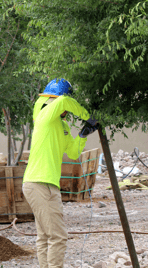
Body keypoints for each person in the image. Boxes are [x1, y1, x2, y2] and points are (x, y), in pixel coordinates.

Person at [22, 78, 99, 268]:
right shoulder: (44, 115)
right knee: (58, 236)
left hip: (41, 184)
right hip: (41, 183)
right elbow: (64, 101)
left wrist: (83, 134)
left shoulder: (61, 125)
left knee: (45, 237)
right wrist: (88, 115)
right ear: (53, 99)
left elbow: (72, 153)